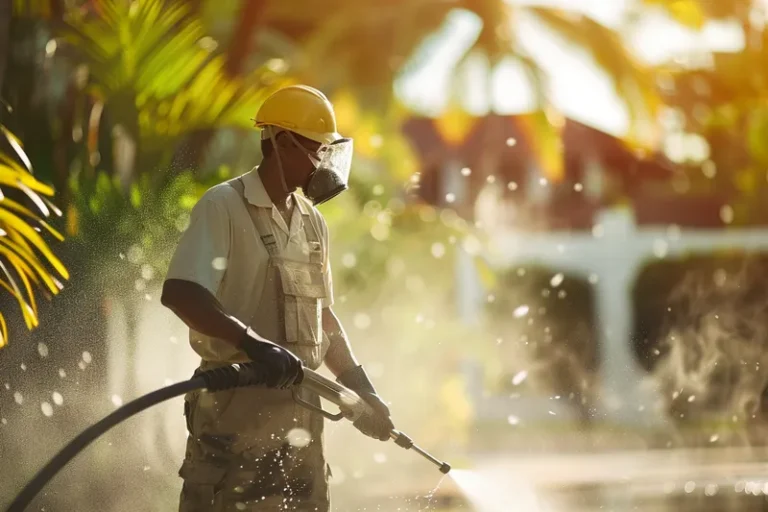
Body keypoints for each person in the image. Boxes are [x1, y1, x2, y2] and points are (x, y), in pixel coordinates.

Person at [161, 84, 395, 511]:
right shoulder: (224, 206)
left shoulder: (312, 224)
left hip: (300, 433)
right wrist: (253, 346)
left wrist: (361, 390)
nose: (323, 164)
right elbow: (182, 292)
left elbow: (323, 318)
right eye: (315, 151)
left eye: (328, 152)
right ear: (281, 142)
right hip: (232, 425)